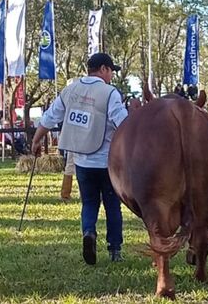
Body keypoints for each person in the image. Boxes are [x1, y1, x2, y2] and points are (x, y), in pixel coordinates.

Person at [31, 53, 131, 264]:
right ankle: (115, 250)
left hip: (81, 160)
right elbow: (122, 122)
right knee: (112, 205)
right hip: (107, 162)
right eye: (111, 70)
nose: (112, 75)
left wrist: (36, 140)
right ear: (103, 69)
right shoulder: (109, 92)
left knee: (89, 203)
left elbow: (50, 116)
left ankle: (88, 232)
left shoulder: (70, 90)